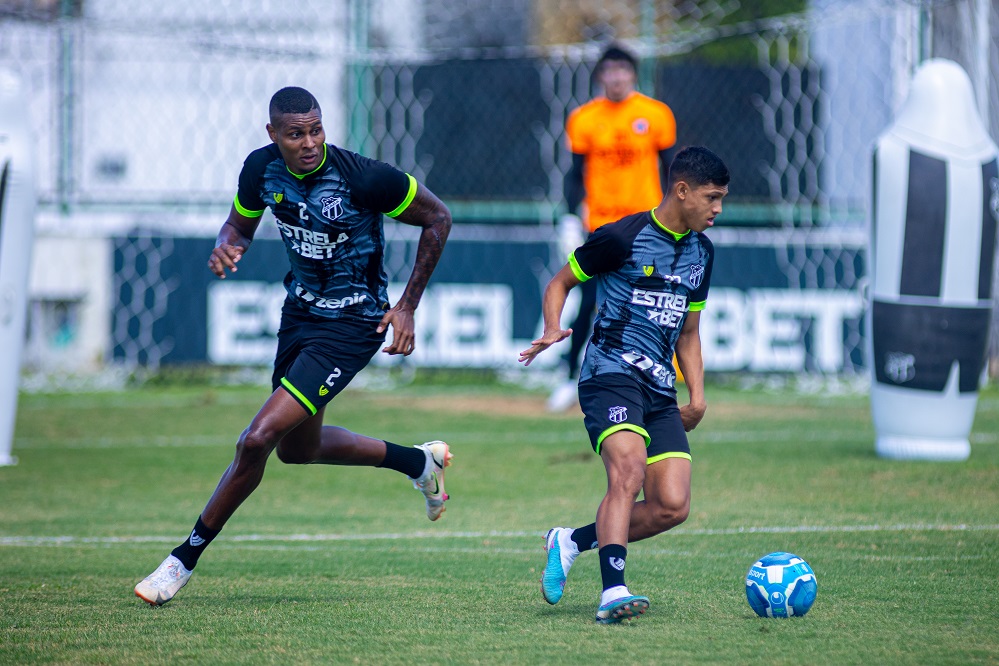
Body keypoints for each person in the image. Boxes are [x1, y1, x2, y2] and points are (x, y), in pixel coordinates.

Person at [134, 86, 454, 606]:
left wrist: (408, 305)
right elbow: (239, 224)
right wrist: (225, 245)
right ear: (273, 135)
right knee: (297, 449)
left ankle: (181, 560)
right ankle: (418, 464)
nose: (308, 142)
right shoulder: (261, 170)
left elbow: (438, 217)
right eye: (295, 133)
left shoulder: (364, 176)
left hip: (354, 324)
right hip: (300, 314)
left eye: (315, 129)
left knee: (255, 440)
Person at [520, 146, 729, 624]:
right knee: (628, 471)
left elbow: (689, 333)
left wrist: (697, 395)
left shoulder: (702, 252)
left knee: (671, 506)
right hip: (608, 375)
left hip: (659, 388)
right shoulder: (621, 237)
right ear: (682, 190)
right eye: (712, 198)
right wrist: (553, 329)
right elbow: (559, 283)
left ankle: (570, 540)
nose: (718, 209)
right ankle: (613, 590)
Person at [548, 43, 677, 412]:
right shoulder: (585, 118)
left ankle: (651, 378)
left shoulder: (655, 115)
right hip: (602, 228)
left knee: (652, 303)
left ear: (633, 74)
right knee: (588, 303)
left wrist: (674, 220)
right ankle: (568, 377)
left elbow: (672, 171)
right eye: (609, 70)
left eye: (623, 69)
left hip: (647, 226)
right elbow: (575, 175)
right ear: (601, 75)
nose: (616, 77)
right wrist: (570, 217)